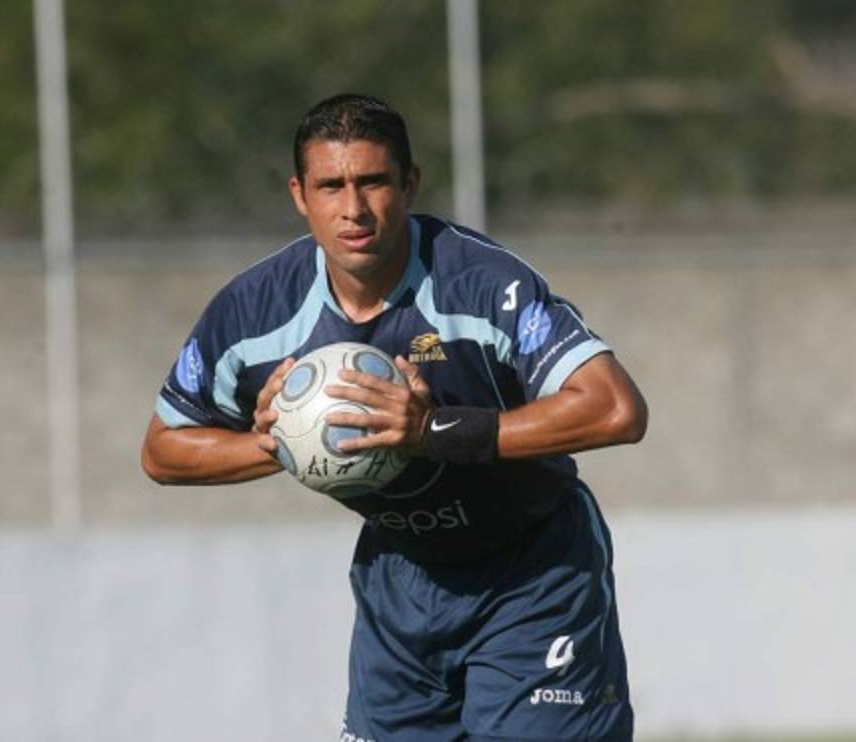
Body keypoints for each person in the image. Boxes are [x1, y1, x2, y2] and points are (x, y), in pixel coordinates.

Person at [141, 93, 648, 741]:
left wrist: (432, 432)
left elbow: (615, 407)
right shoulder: (253, 313)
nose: (353, 208)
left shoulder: (477, 283)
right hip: (401, 585)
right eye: (331, 186)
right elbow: (164, 449)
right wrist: (279, 441)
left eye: (373, 181)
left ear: (410, 184)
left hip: (534, 571)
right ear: (300, 196)